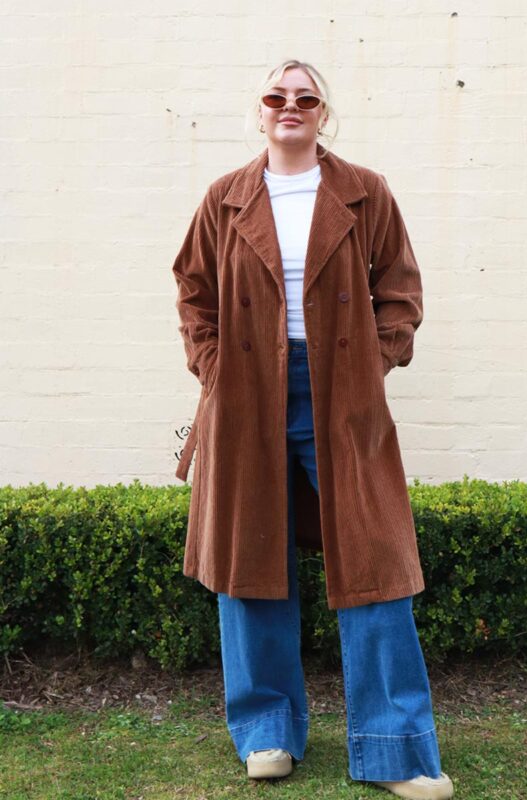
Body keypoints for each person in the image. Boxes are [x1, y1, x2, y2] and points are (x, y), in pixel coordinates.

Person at [172, 59, 454, 800]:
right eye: (276, 96)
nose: (288, 106)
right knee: (248, 561)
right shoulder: (224, 199)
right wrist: (214, 369)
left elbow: (399, 289)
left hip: (340, 392)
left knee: (376, 561)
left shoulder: (364, 193)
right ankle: (266, 730)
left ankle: (396, 747)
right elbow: (194, 292)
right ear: (259, 111)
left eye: (305, 97)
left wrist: (374, 361)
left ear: (323, 113)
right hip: (245, 393)